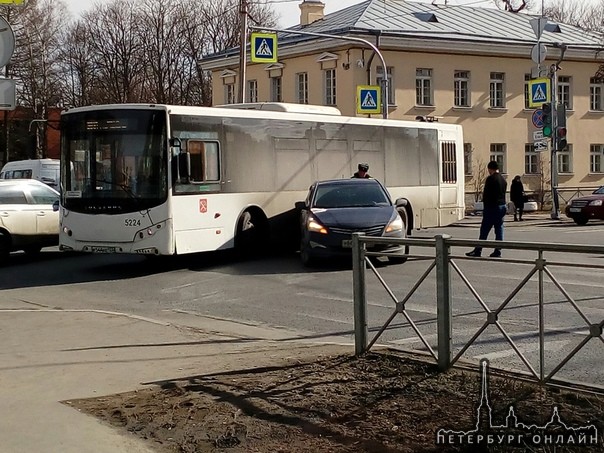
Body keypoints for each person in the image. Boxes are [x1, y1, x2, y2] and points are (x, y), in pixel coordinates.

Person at [466, 160, 507, 258]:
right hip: (502, 206)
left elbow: (487, 194)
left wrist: (485, 205)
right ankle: (498, 250)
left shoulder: (490, 179)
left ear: (490, 169)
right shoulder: (503, 179)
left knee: (485, 229)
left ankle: (478, 250)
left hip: (492, 207)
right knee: (499, 229)